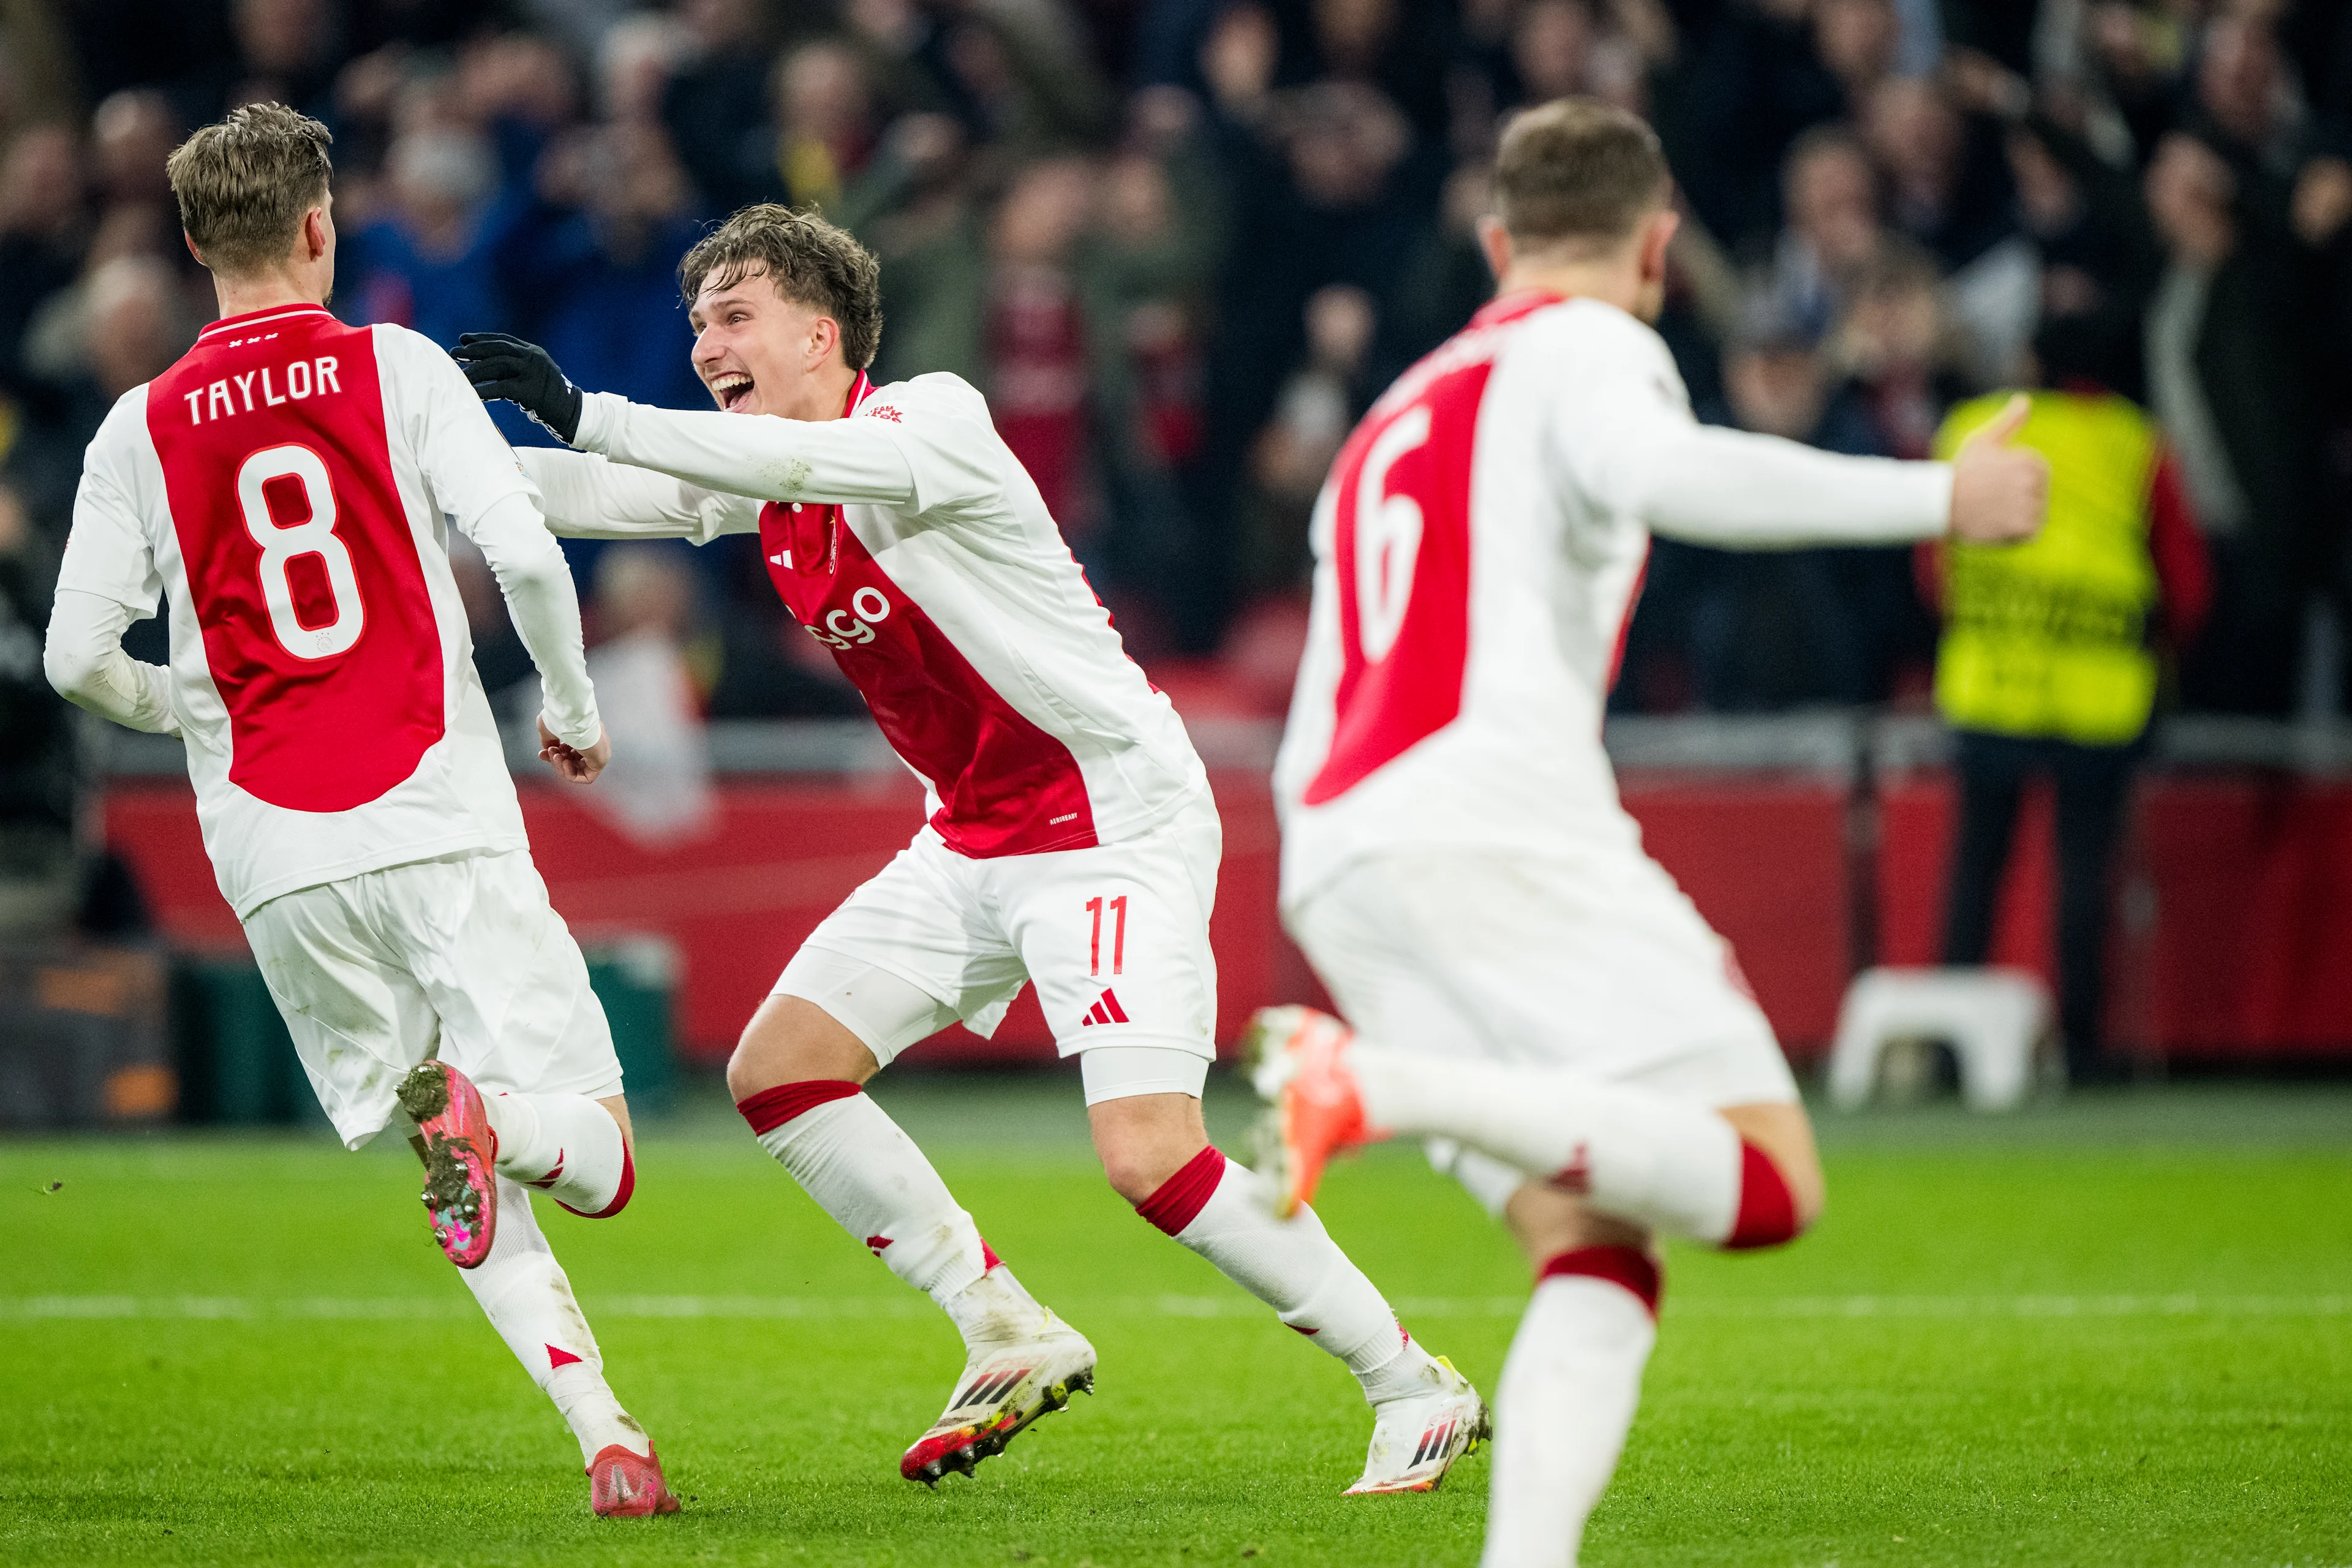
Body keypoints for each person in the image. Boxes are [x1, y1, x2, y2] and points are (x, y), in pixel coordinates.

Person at [449, 203, 1489, 1494]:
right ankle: (1003, 1320)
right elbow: (598, 490)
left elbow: (718, 463)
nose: (709, 343)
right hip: (973, 838)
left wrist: (590, 408)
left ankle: (1412, 1380)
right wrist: (418, 459)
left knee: (1150, 1150)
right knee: (783, 1070)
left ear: (821, 330)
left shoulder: (929, 421)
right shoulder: (767, 474)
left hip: (1110, 819)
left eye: (736, 315)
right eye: (700, 323)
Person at [1244, 99, 2048, 1567]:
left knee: (1594, 1239)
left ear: (1495, 242)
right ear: (1659, 246)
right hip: (1492, 819)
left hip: (1342, 852)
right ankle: (1381, 1082)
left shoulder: (1390, 412)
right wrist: (1941, 493)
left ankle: (1526, 1554)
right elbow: (1666, 477)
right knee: (1763, 1179)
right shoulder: (1590, 345)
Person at [41, 104, 679, 1518]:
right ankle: (493, 1123)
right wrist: (573, 706)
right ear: (321, 227)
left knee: (449, 1142)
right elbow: (520, 547)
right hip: (433, 809)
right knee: (592, 1149)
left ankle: (605, 1431)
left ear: (195, 241)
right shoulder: (390, 366)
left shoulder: (137, 428)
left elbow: (77, 659)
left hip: (276, 855)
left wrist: (191, 710)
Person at [1929, 317, 2212, 1084]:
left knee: (1975, 870)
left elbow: (1933, 559)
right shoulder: (2134, 441)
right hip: (2100, 692)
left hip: (1991, 682)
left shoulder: (1970, 427)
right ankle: (2083, 1051)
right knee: (2085, 875)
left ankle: (1952, 1049)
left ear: (2029, 359)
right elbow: (2185, 578)